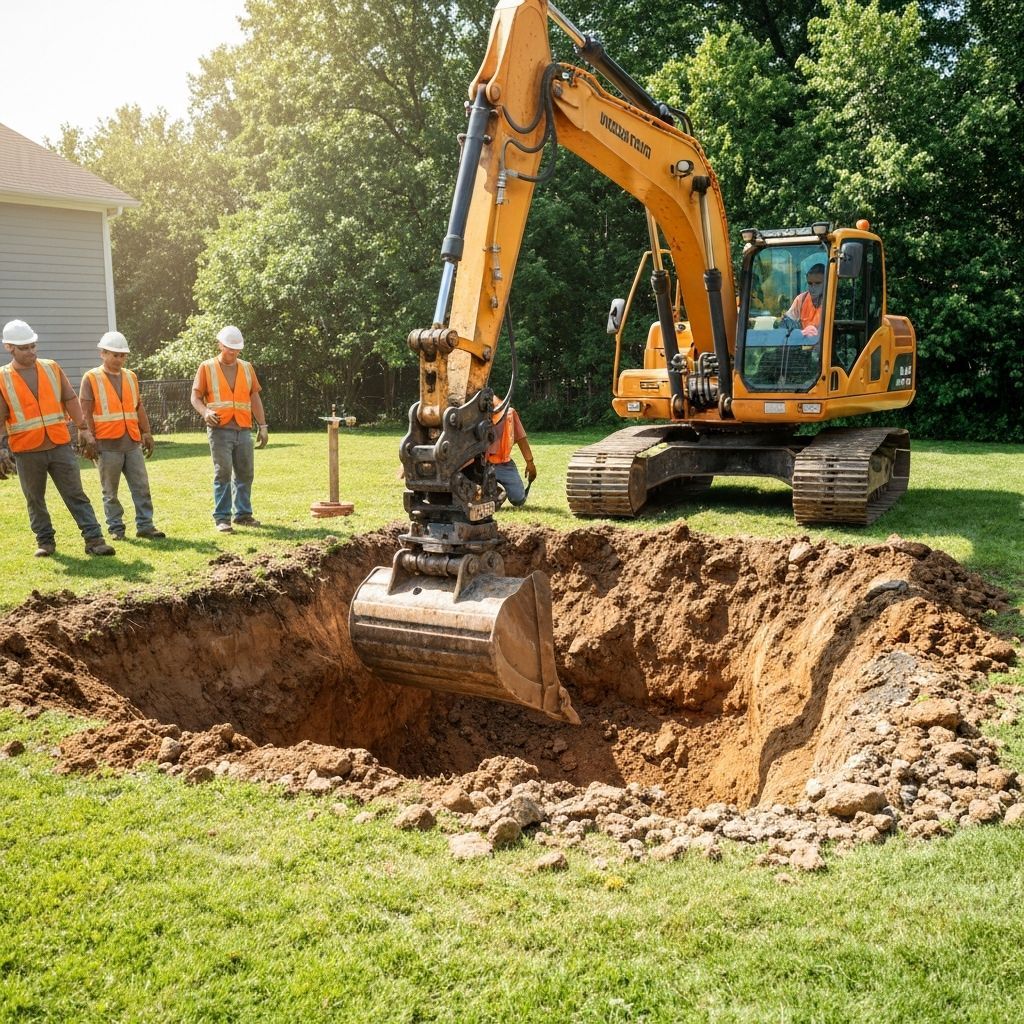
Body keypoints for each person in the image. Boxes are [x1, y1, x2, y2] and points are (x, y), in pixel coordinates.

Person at [0, 319, 115, 557]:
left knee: (75, 493)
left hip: (59, 443)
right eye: (24, 348)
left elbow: (70, 399)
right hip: (26, 449)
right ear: (9, 347)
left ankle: (94, 540)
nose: (31, 351)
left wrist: (83, 428)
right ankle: (45, 542)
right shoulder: (3, 378)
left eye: (33, 345)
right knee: (34, 498)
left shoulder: (51, 367)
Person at [79, 332, 165, 541]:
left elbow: (138, 407)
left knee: (141, 486)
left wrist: (146, 432)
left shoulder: (131, 376)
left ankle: (146, 525)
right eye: (114, 355)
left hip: (131, 442)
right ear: (103, 353)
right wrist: (88, 439)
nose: (119, 359)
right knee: (110, 491)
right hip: (106, 445)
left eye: (122, 355)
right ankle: (116, 528)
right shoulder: (91, 378)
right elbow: (85, 411)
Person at [190, 325, 268, 534]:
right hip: (220, 430)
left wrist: (262, 425)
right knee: (223, 472)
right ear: (220, 345)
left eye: (236, 350)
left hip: (243, 428)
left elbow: (254, 397)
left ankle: (243, 514)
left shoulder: (246, 367)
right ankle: (222, 518)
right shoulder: (206, 367)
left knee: (245, 472)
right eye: (228, 348)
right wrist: (205, 412)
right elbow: (195, 397)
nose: (232, 353)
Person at [487, 396, 536, 507]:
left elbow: (521, 438)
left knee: (518, 499)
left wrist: (530, 463)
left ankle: (494, 489)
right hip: (482, 466)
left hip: (504, 464)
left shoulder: (510, 414)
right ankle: (493, 489)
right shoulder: (474, 417)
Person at [780, 263, 826, 337]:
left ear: (826, 283)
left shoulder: (830, 301)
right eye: (810, 283)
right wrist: (800, 333)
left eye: (817, 283)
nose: (813, 288)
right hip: (802, 344)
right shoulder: (801, 299)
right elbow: (785, 325)